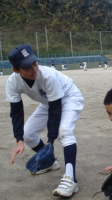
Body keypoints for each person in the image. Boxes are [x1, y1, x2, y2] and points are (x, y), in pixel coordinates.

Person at [6, 44, 84, 196]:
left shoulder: (47, 75)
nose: (34, 69)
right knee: (28, 134)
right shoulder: (12, 82)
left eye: (34, 63)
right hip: (49, 102)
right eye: (27, 67)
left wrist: (50, 140)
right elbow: (16, 112)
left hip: (69, 97)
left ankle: (71, 180)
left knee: (64, 132)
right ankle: (50, 163)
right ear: (16, 70)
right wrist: (19, 140)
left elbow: (56, 110)